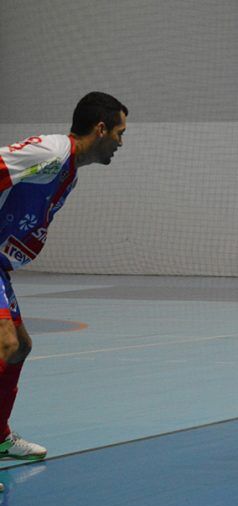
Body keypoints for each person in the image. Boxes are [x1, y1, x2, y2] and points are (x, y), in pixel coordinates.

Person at [0, 91, 128, 461]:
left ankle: (0, 436)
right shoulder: (51, 152)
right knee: (5, 344)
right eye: (120, 133)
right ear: (100, 129)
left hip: (1, 268)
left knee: (20, 346)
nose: (121, 142)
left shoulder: (68, 172)